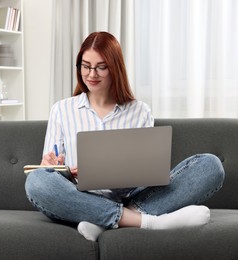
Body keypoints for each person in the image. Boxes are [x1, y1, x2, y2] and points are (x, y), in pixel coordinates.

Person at [24, 31, 225, 241]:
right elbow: (50, 169)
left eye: (101, 67)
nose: (91, 74)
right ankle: (146, 221)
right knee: (36, 182)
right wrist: (51, 166)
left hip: (130, 196)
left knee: (210, 166)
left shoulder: (140, 112)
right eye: (85, 66)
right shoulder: (61, 110)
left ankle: (102, 221)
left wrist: (118, 172)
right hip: (78, 196)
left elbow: (147, 173)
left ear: (115, 68)